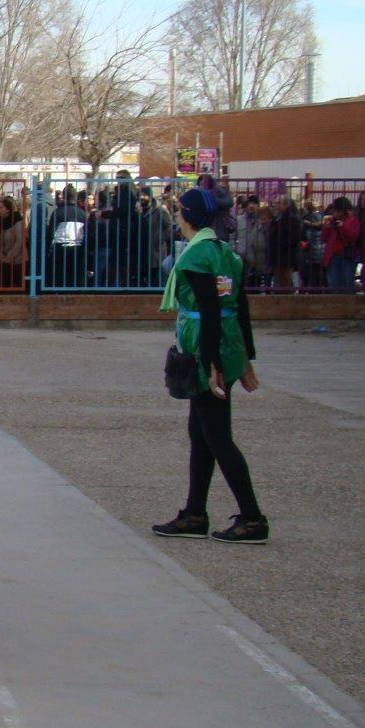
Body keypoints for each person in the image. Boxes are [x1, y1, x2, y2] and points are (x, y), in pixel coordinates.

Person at [152, 188, 268, 545]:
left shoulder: (196, 257)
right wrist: (245, 356)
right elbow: (241, 307)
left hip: (206, 350)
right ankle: (195, 513)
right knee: (200, 434)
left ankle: (252, 518)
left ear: (185, 216)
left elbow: (211, 313)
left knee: (217, 437)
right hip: (227, 347)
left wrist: (211, 363)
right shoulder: (225, 253)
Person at [47, 184, 88, 288]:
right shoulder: (83, 214)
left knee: (59, 276)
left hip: (60, 247)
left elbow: (51, 231)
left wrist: (48, 248)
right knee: (75, 275)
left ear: (64, 197)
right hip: (78, 247)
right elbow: (87, 233)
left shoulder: (58, 212)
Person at [321, 196, 360, 291]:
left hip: (347, 255)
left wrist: (343, 226)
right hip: (333, 256)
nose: (336, 214)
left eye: (338, 211)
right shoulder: (331, 221)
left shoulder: (352, 221)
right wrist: (326, 227)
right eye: (334, 211)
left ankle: (349, 304)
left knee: (347, 283)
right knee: (334, 283)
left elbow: (353, 237)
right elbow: (324, 238)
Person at [267, 195, 302, 292]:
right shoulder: (277, 218)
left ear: (286, 205)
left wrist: (280, 246)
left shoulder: (291, 219)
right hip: (278, 256)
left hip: (285, 256)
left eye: (278, 203)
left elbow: (293, 238)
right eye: (275, 203)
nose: (275, 206)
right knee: (279, 282)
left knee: (285, 282)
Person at [0, 195, 26, 289]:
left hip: (18, 260)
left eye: (1, 207)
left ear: (8, 209)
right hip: (3, 260)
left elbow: (19, 242)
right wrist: (1, 256)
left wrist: (9, 257)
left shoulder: (17, 221)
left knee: (18, 287)